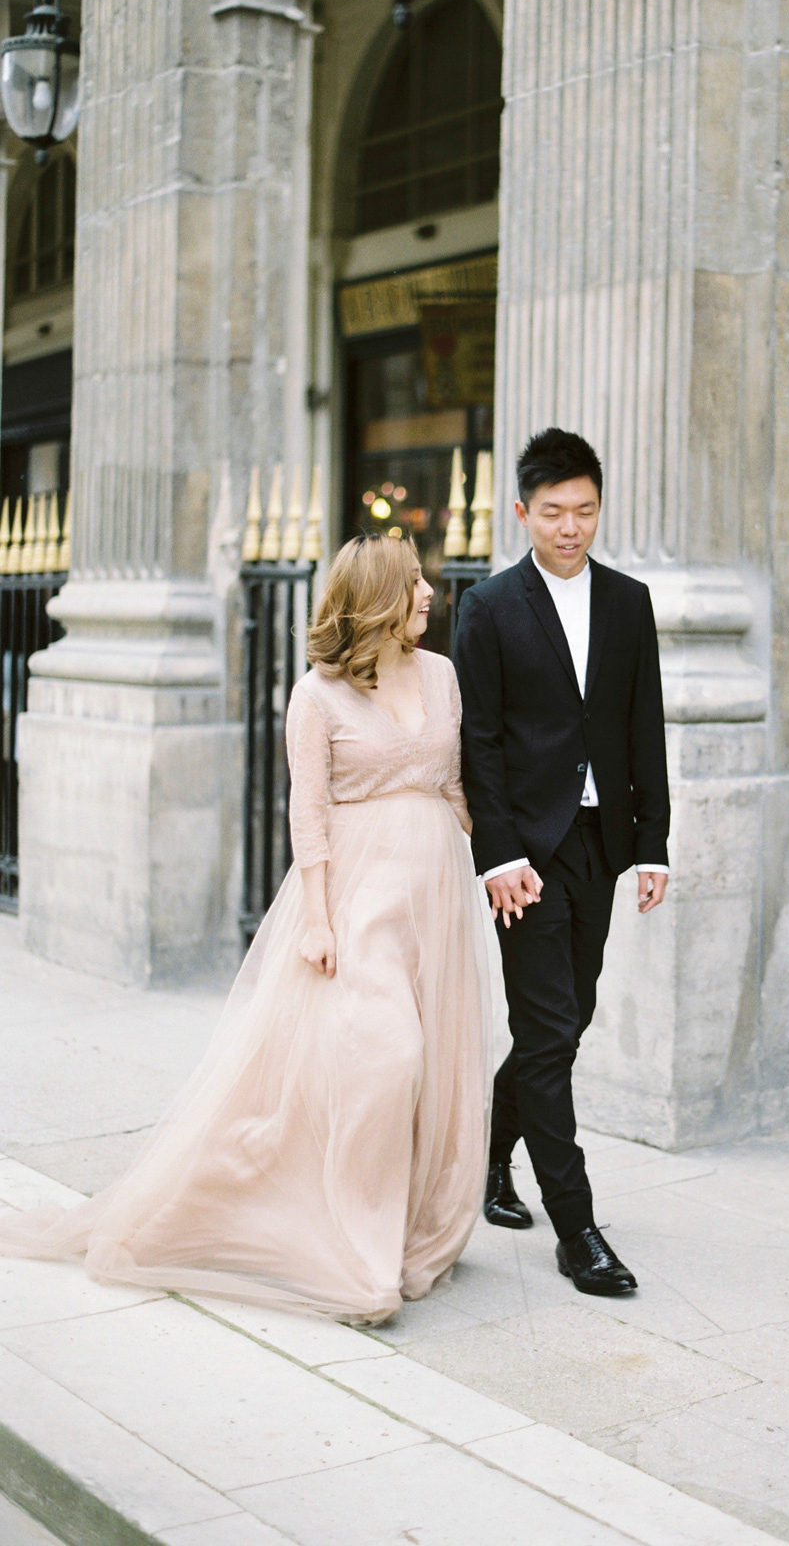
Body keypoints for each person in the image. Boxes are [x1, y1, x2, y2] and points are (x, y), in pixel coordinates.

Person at [0, 535, 490, 1325]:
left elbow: (461, 786)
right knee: (386, 1058)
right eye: (413, 582)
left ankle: (408, 1228)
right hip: (359, 902)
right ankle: (353, 1249)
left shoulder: (442, 673)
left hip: (436, 897)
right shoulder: (318, 695)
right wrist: (320, 919)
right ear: (378, 598)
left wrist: (506, 859)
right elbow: (310, 810)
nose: (430, 592)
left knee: (435, 1070)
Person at [454, 428, 670, 1298]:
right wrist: (497, 853)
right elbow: (480, 741)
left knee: (565, 1020)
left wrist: (653, 842)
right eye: (553, 512)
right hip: (526, 855)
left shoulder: (629, 601)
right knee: (548, 1032)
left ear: (598, 508)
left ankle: (488, 1156)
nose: (570, 526)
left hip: (600, 844)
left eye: (584, 510)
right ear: (523, 513)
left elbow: (643, 725)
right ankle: (576, 1227)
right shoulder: (490, 606)